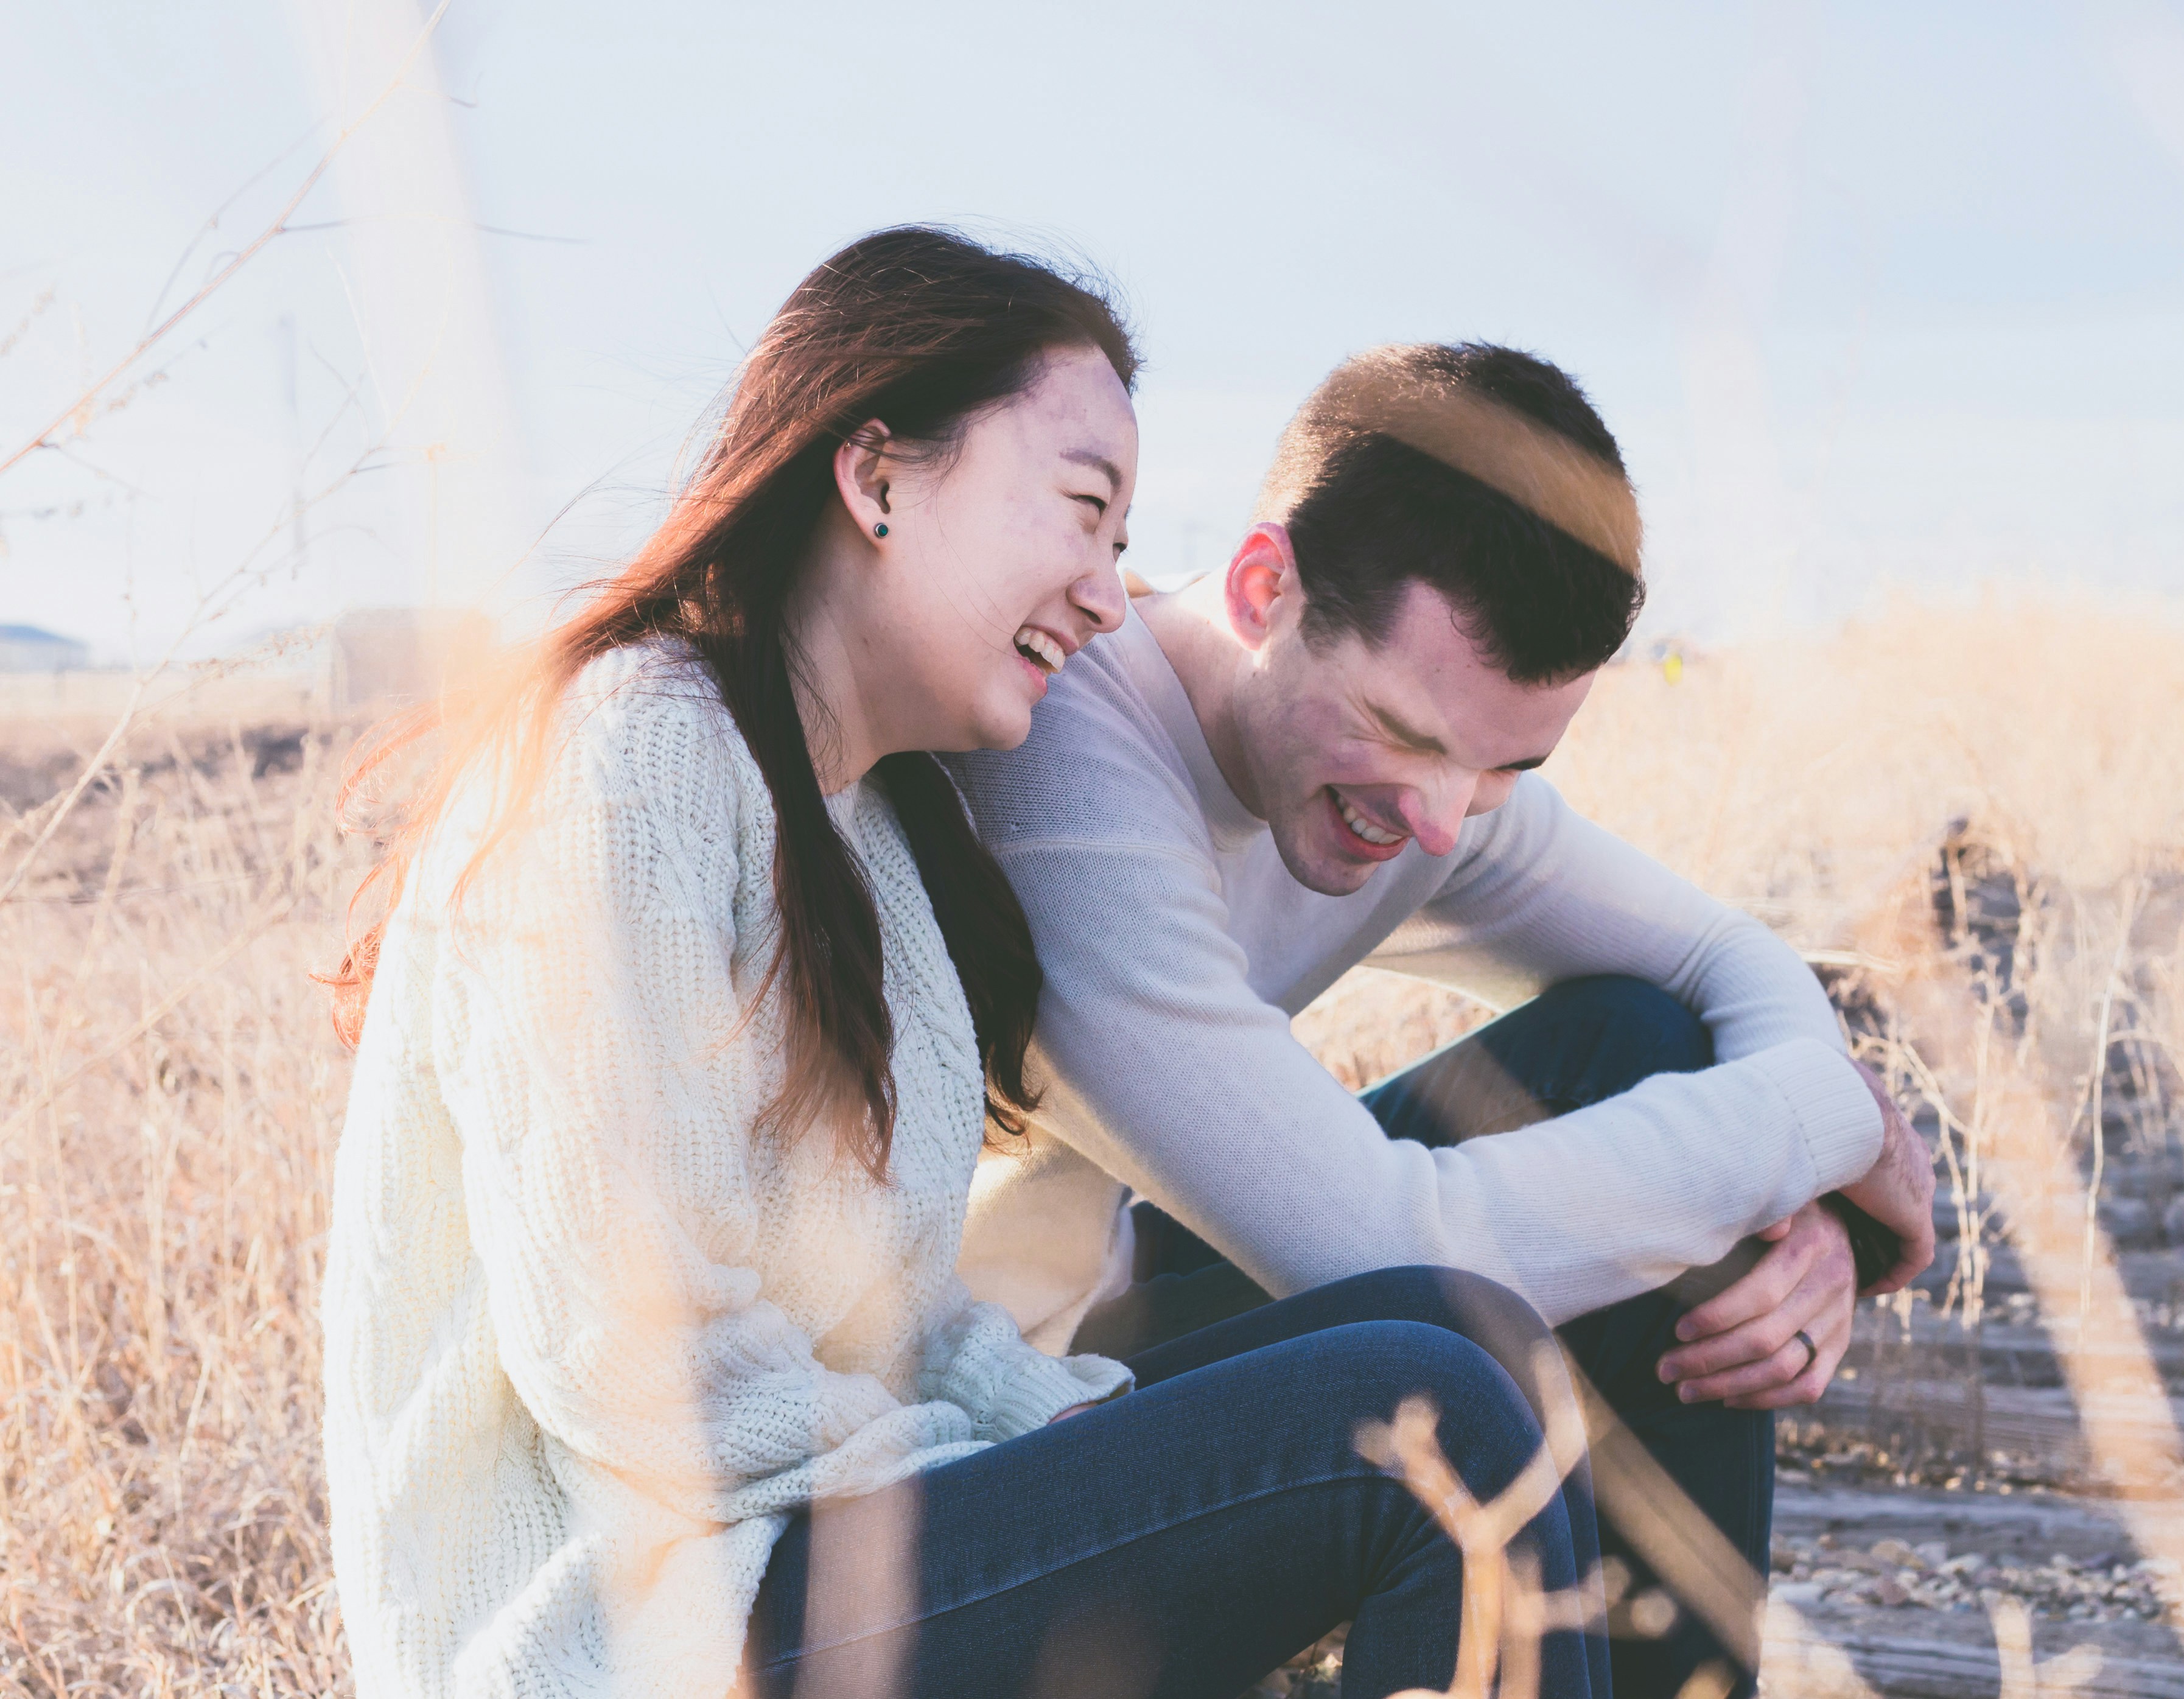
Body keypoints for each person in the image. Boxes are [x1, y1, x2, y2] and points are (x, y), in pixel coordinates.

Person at [320, 232, 1609, 1699]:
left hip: (806, 1555)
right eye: (1080, 513)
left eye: (1125, 546)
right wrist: (1012, 1470)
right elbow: (632, 1357)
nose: (1110, 595)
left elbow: (885, 1313)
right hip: (643, 1632)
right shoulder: (628, 759)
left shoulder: (867, 830)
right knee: (1419, 1412)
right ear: (876, 477)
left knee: (1460, 1325)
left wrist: (1057, 1431)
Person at [945, 341, 1938, 1698]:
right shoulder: (1065, 760)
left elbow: (1724, 957)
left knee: (1643, 1044)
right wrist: (1821, 1126)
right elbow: (1384, 1244)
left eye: (1505, 764)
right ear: (1262, 586)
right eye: (1403, 732)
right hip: (966, 1451)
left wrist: (1805, 1199)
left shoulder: (1438, 786)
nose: (1439, 817)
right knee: (1503, 1306)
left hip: (1104, 1321)